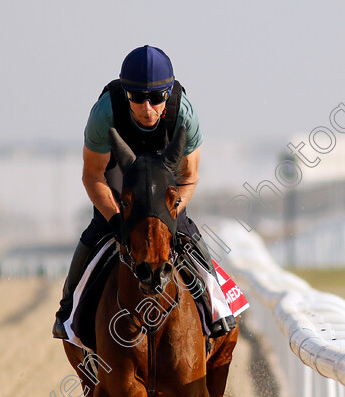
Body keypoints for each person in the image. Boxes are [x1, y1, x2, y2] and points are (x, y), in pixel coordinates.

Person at [52, 45, 236, 340]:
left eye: (156, 98)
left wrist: (170, 213)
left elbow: (189, 177)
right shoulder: (104, 113)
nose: (147, 108)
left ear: (169, 93)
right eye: (137, 98)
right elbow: (93, 175)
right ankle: (67, 310)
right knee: (96, 232)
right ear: (126, 94)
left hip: (166, 183)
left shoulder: (184, 114)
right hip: (118, 179)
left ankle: (218, 308)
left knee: (187, 234)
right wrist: (115, 220)